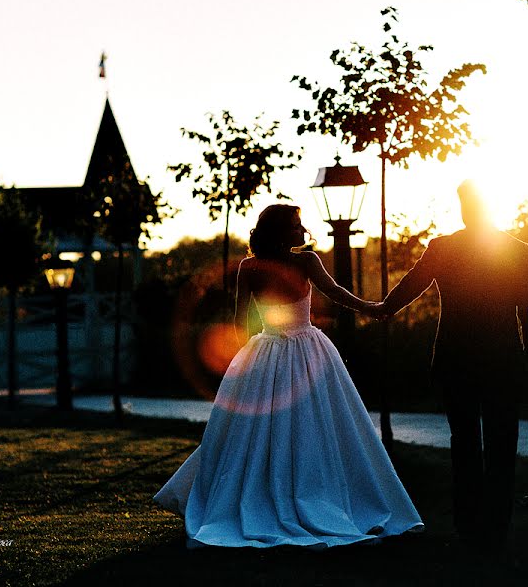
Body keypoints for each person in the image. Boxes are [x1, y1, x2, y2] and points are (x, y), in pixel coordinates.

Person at [153, 204, 424, 549]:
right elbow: (240, 318)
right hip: (285, 349)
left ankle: (311, 491)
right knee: (263, 432)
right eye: (295, 225)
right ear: (280, 231)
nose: (302, 230)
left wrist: (369, 307)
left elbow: (334, 293)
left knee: (313, 425)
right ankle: (268, 493)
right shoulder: (259, 266)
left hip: (287, 350)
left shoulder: (301, 262)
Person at [375, 180, 528, 552]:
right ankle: (495, 528)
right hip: (501, 360)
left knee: (464, 443)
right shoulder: (516, 249)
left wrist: (383, 309)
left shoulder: (444, 248)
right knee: (501, 444)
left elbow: (410, 287)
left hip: (457, 359)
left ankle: (469, 525)